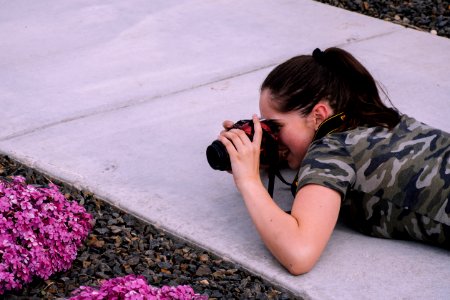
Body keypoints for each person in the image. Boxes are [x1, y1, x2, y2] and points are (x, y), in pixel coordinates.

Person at [217, 47, 450, 275]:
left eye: (275, 127)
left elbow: (299, 253)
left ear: (318, 115)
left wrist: (248, 180)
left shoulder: (332, 150)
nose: (272, 135)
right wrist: (267, 152)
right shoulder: (383, 120)